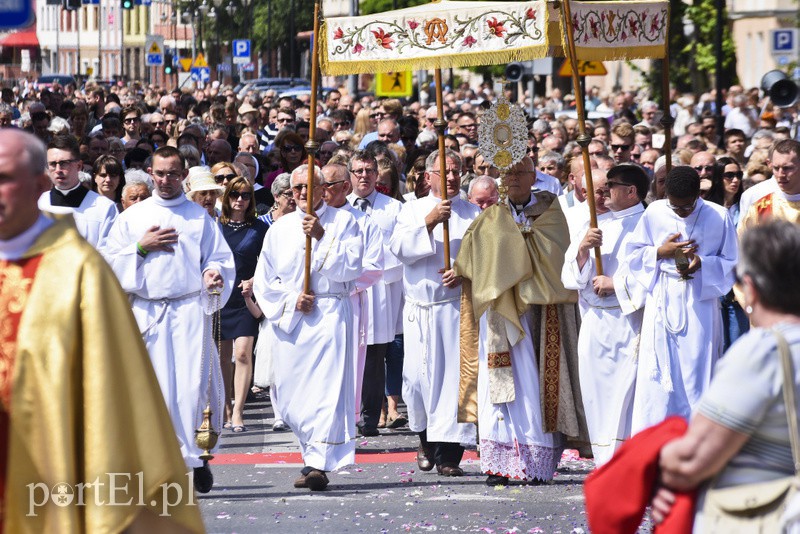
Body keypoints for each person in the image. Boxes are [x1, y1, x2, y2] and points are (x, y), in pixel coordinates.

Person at [0, 128, 203, 532]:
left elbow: (109, 396)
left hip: (43, 457)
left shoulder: (78, 270)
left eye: (4, 178)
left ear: (38, 186)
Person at [103, 146, 236, 493]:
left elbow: (218, 257)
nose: (165, 180)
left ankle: (196, 458)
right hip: (147, 313)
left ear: (184, 175)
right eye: (160, 173)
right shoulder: (132, 218)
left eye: (173, 174)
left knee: (191, 391)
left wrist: (212, 274)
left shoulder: (198, 217)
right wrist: (141, 248)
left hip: (189, 311)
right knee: (155, 391)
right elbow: (108, 264)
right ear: (150, 172)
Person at [653, 221, 800, 531]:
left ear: (751, 287)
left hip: (764, 514)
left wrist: (654, 456)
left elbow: (691, 460)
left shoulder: (761, 353)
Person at [455, 156, 587, 486]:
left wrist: (518, 243)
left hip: (539, 313)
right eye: (507, 173)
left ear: (533, 177)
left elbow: (557, 252)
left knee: (534, 384)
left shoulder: (550, 211)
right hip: (500, 312)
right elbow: (471, 257)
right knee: (496, 387)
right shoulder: (491, 216)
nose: (512, 179)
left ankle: (535, 462)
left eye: (520, 173)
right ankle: (498, 465)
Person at [253, 164, 364, 491]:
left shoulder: (344, 222)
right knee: (291, 398)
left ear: (323, 189)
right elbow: (265, 280)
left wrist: (321, 236)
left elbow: (352, 267)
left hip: (329, 315)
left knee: (324, 394)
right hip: (294, 320)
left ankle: (318, 463)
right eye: (297, 188)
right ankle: (310, 454)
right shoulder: (279, 228)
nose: (302, 194)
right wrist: (290, 301)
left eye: (309, 187)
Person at [625, 165, 738, 434]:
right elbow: (632, 255)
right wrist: (659, 252)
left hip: (699, 302)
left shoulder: (718, 215)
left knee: (696, 372)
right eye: (675, 208)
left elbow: (733, 262)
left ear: (698, 195)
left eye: (687, 207)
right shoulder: (654, 212)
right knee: (658, 375)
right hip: (662, 298)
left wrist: (703, 264)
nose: (682, 213)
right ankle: (654, 441)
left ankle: (695, 438)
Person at [389, 149, 479, 476]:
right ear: (429, 177)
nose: (452, 177)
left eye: (456, 171)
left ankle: (450, 456)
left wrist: (464, 270)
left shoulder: (472, 213)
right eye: (445, 171)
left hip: (454, 308)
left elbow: (484, 256)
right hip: (419, 311)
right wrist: (429, 223)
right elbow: (399, 248)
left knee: (454, 383)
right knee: (416, 381)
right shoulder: (410, 210)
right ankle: (425, 439)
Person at [561, 163, 649, 464]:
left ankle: (626, 458)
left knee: (627, 395)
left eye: (609, 187)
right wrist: (584, 249)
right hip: (595, 321)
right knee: (596, 394)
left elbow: (653, 271)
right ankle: (603, 459)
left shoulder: (647, 222)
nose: (604, 194)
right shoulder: (595, 225)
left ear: (631, 191)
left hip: (629, 321)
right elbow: (569, 277)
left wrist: (617, 284)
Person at [321, 163, 385, 430]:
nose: (320, 192)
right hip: (316, 304)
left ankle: (347, 421)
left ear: (345, 187)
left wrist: (341, 281)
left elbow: (374, 267)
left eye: (326, 186)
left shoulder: (363, 222)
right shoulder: (314, 219)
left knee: (349, 366)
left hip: (348, 301)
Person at [346, 150, 404, 437]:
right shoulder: (340, 208)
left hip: (380, 292)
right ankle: (348, 412)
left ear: (377, 174)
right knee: (348, 354)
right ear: (350, 174)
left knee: (374, 355)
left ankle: (370, 416)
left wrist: (375, 272)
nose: (364, 176)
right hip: (347, 292)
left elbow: (400, 251)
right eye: (358, 171)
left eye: (369, 170)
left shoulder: (392, 208)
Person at [218, 177, 269, 432]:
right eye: (235, 194)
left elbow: (269, 263)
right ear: (227, 196)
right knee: (223, 357)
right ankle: (225, 407)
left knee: (242, 354)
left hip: (245, 297)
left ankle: (238, 411)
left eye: (246, 195)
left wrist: (254, 280)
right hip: (220, 297)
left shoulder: (259, 228)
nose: (240, 199)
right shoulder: (216, 226)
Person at [38, 134, 117, 249]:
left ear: (79, 165)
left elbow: (110, 254)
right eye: (53, 164)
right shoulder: (37, 205)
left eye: (64, 163)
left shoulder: (104, 208)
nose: (58, 170)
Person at [739, 138, 800, 230]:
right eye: (776, 168)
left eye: (787, 168)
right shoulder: (760, 208)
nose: (780, 175)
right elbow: (743, 241)